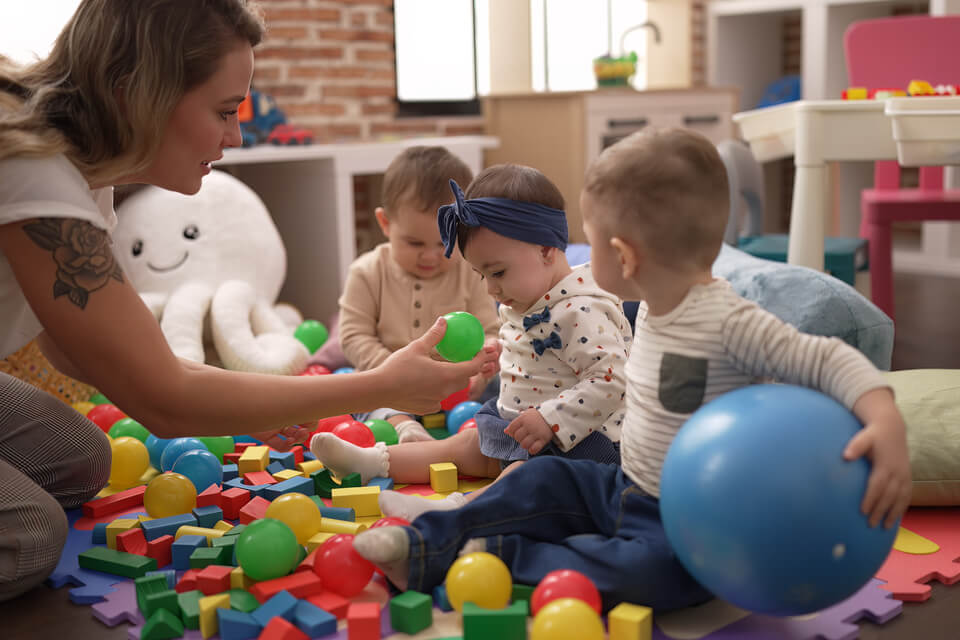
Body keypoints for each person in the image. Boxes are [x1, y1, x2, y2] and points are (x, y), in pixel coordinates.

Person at [0, 0, 495, 601]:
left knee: (81, 458)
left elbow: (82, 351)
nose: (234, 135)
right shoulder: (35, 171)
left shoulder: (88, 172)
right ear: (137, 92)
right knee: (31, 532)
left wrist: (265, 400)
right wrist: (380, 386)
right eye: (223, 111)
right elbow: (163, 399)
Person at [348, 128, 913, 612]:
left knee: (659, 576)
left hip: (687, 519)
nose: (575, 258)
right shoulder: (651, 308)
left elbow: (827, 356)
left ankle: (494, 560)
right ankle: (425, 541)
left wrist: (883, 417)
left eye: (586, 245)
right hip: (622, 484)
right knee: (538, 479)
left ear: (625, 255)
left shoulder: (728, 320)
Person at [311, 164, 630, 521]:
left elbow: (611, 380)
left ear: (545, 250)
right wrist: (497, 354)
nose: (490, 289)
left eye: (497, 273)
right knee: (464, 444)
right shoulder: (528, 295)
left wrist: (551, 419)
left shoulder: (582, 309)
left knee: (526, 477)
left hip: (578, 445)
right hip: (520, 429)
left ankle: (452, 511)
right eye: (481, 275)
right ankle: (371, 461)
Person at [335, 145, 500, 444]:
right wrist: (391, 373)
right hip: (390, 383)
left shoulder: (470, 271)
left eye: (444, 243)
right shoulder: (367, 272)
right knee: (363, 397)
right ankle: (406, 429)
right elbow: (354, 337)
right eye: (414, 243)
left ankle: (484, 435)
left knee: (506, 389)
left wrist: (482, 367)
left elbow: (491, 330)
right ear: (385, 223)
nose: (430, 255)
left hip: (457, 387)